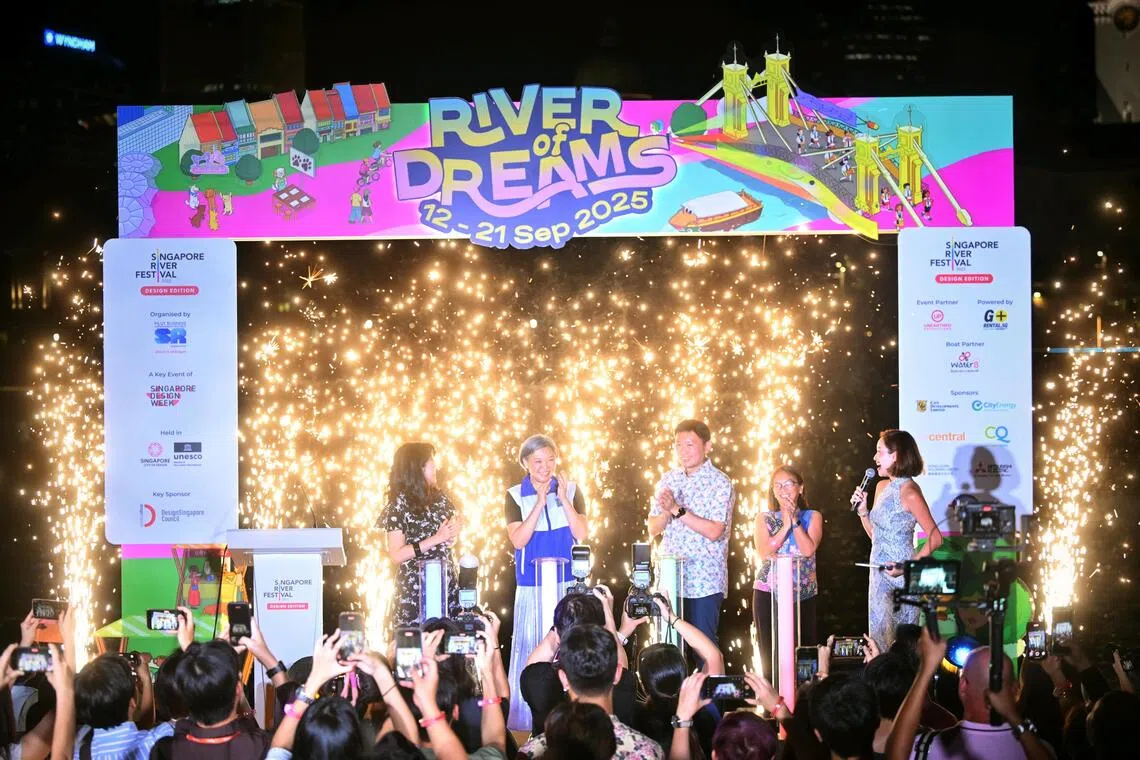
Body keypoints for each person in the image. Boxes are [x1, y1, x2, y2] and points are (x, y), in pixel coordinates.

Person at [505, 434, 588, 732]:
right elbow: (518, 539)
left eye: (550, 460)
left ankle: (575, 714)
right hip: (532, 586)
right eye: (538, 461)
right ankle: (531, 720)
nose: (545, 467)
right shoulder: (515, 495)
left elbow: (582, 533)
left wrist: (562, 498)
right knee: (534, 645)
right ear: (525, 463)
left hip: (568, 584)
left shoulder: (572, 489)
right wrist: (538, 504)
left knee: (570, 646)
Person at [647, 420, 735, 654]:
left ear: (707, 446)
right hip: (670, 575)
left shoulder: (720, 482)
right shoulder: (668, 479)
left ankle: (709, 690)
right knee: (667, 647)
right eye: (678, 445)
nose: (683, 451)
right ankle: (673, 692)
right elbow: (653, 528)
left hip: (704, 579)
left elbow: (715, 531)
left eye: (690, 444)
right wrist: (666, 510)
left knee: (703, 648)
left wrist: (677, 509)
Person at [852, 430, 943, 652]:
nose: (875, 458)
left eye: (879, 452)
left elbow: (936, 537)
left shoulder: (910, 492)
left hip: (900, 575)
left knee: (901, 644)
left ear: (896, 456)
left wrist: (905, 567)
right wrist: (863, 512)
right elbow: (876, 536)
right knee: (880, 640)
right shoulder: (881, 487)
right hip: (878, 573)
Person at [518, 624, 663, 759]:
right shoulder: (648, 751)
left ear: (563, 678)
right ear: (618, 674)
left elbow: (533, 672)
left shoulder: (532, 752)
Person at [380, 442, 461, 627]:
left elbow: (454, 522)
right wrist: (436, 539)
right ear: (417, 468)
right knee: (415, 650)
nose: (436, 467)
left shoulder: (439, 499)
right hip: (415, 591)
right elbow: (396, 554)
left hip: (445, 583)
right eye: (431, 462)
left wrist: (451, 534)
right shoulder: (397, 506)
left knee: (448, 644)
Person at [753, 465, 823, 677]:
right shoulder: (763, 518)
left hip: (803, 593)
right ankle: (772, 700)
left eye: (789, 484)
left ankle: (805, 699)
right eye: (778, 485)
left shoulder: (813, 516)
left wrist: (794, 521)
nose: (783, 490)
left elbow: (808, 549)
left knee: (804, 649)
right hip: (768, 592)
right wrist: (784, 526)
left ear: (800, 488)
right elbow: (765, 551)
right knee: (770, 650)